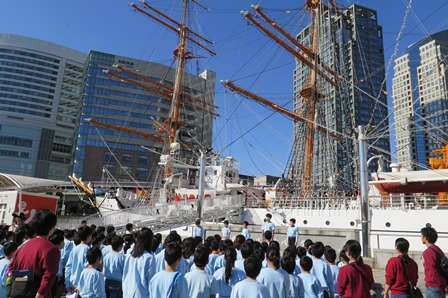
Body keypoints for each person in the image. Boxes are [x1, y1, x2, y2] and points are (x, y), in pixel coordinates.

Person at [8, 210, 60, 298]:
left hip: (18, 292)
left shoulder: (22, 247)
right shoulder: (51, 249)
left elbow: (11, 269)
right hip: (37, 293)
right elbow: (49, 276)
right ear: (51, 228)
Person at [122, 227, 156, 298]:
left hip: (128, 292)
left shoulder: (130, 255)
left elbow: (124, 276)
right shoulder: (149, 258)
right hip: (142, 294)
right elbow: (151, 281)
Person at [65, 225, 93, 292]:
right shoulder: (88, 250)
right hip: (83, 286)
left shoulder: (74, 249)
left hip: (72, 283)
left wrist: (67, 284)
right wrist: (80, 286)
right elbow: (87, 269)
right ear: (89, 236)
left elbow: (68, 267)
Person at [420, 226, 446, 297]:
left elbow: (433, 271)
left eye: (422, 235)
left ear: (425, 237)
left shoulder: (428, 252)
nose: (421, 237)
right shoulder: (437, 249)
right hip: (439, 285)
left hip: (433, 286)